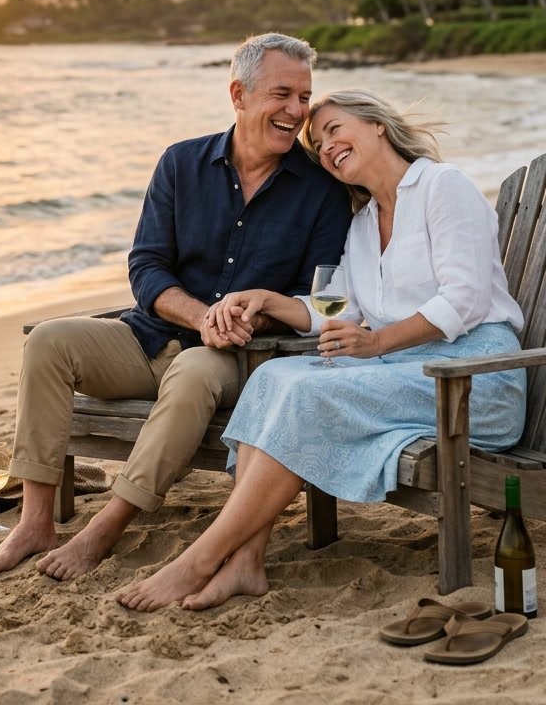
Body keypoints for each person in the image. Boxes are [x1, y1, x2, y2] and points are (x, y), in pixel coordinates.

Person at [115, 88, 526, 612]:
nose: (327, 147)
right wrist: (267, 300)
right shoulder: (363, 222)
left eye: (334, 130)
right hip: (405, 370)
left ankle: (200, 560)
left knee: (309, 396)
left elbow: (464, 299)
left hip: (475, 377)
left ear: (377, 125)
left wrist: (376, 342)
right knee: (273, 378)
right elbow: (340, 307)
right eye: (318, 142)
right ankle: (246, 562)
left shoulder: (442, 186)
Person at [0, 32, 353, 578]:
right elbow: (147, 266)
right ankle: (34, 523)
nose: (296, 111)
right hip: (150, 337)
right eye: (281, 95)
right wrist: (201, 315)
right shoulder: (180, 164)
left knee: (194, 373)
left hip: (238, 357)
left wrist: (248, 317)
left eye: (304, 97)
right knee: (49, 341)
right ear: (239, 94)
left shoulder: (321, 191)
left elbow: (314, 296)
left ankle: (106, 527)